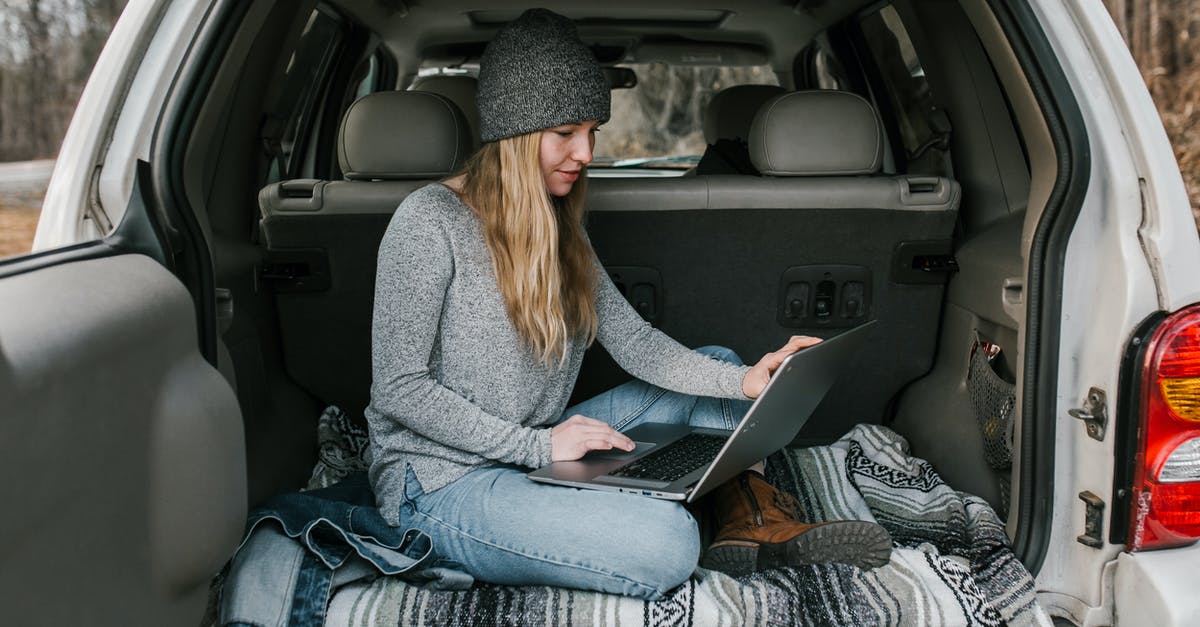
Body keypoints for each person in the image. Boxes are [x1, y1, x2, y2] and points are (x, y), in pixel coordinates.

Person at [365, 8, 891, 600]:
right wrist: (539, 447)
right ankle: (707, 515)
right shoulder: (428, 221)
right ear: (513, 134)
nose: (586, 153)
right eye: (565, 133)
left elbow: (634, 340)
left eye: (592, 131)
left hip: (531, 446)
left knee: (714, 368)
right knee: (664, 546)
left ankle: (752, 522)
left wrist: (748, 379)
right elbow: (399, 388)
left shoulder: (560, 222)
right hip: (440, 482)